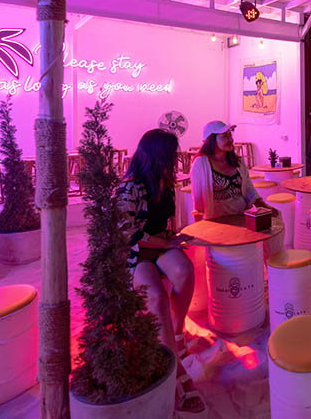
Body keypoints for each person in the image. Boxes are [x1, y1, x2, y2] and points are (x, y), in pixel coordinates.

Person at [115, 128, 205, 414]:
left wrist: (174, 238)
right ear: (156, 157)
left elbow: (166, 224)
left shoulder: (165, 184)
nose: (175, 160)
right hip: (136, 251)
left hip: (158, 244)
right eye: (170, 155)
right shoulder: (129, 189)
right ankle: (174, 368)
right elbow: (128, 234)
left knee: (184, 270)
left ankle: (176, 334)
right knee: (155, 296)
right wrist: (165, 242)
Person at [190, 120, 276, 219]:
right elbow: (198, 201)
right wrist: (199, 224)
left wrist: (265, 206)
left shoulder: (238, 162)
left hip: (241, 217)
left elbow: (249, 191)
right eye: (224, 136)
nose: (230, 139)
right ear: (211, 140)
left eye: (230, 135)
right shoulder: (201, 163)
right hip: (216, 221)